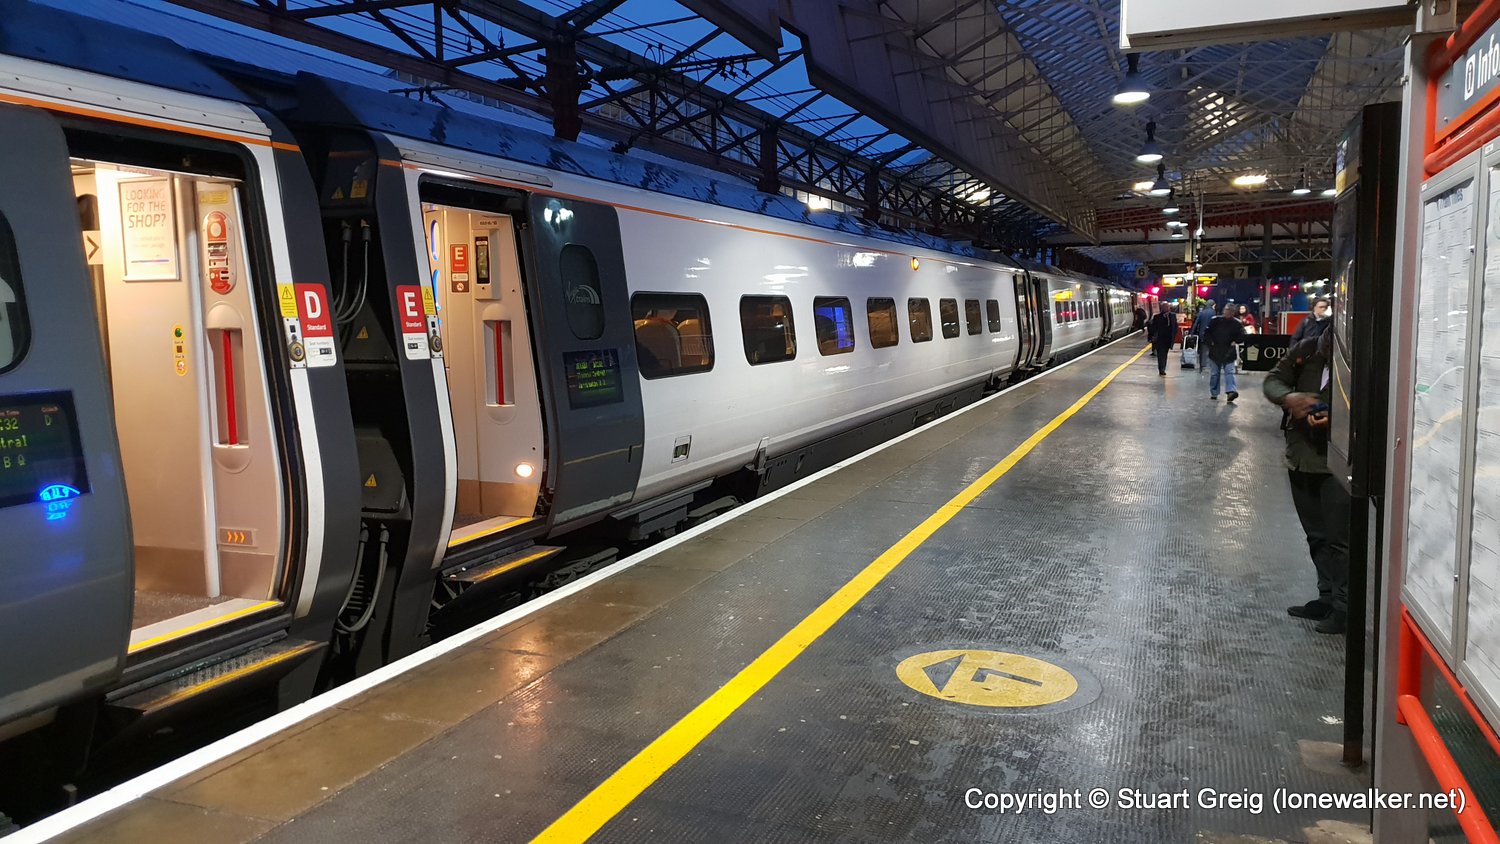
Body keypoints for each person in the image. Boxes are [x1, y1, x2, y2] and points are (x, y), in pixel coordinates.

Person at [1263, 328, 1350, 634]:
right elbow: (1273, 380)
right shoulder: (1307, 349)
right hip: (1301, 457)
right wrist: (1290, 397)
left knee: (1340, 541)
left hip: (1338, 464)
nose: (1326, 353)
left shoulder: (1361, 361)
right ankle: (1326, 597)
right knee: (1316, 535)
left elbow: (1377, 406)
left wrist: (1335, 419)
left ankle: (1344, 607)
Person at [1203, 303, 1246, 402]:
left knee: (1229, 372)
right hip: (1215, 350)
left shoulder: (1237, 323)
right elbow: (1207, 333)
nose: (1228, 312)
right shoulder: (1215, 321)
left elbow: (1242, 335)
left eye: (1230, 311)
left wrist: (1236, 341)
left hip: (1229, 352)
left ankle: (1231, 391)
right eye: (1227, 310)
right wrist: (1210, 343)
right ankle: (1214, 392)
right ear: (1223, 310)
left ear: (1233, 313)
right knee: (1215, 374)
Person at [1146, 300, 1175, 376]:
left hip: (1168, 339)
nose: (1166, 308)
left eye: (1167, 307)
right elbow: (1153, 328)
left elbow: (1175, 327)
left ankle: (1163, 367)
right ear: (1161, 308)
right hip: (1160, 339)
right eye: (1164, 307)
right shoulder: (1157, 317)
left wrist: (1174, 337)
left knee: (1165, 354)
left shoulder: (1172, 316)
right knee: (1161, 355)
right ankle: (1161, 369)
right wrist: (1151, 337)